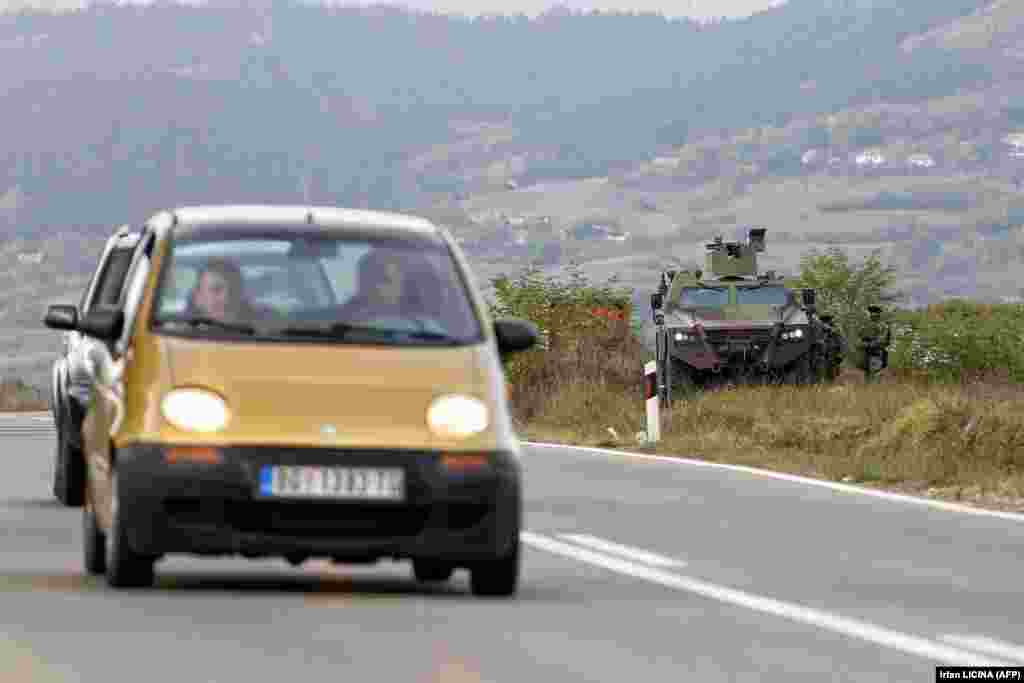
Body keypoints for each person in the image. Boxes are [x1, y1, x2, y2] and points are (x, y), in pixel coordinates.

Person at [186, 257, 255, 322]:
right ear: (198, 298)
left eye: (232, 290)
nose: (225, 297)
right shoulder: (181, 330)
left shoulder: (261, 329)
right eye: (216, 289)